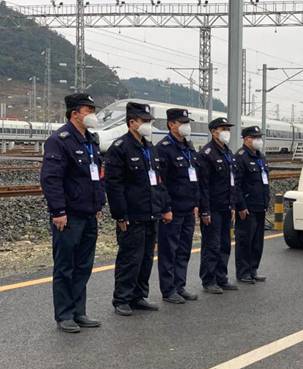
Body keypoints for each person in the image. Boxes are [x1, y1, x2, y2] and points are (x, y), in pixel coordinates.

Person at [40, 93, 105, 333]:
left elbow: (96, 176)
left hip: (89, 214)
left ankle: (79, 311)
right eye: (88, 110)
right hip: (69, 216)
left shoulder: (91, 140)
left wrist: (98, 205)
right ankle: (64, 314)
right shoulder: (59, 140)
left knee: (83, 265)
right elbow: (51, 179)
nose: (92, 114)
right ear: (74, 113)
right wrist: (58, 210)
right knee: (65, 266)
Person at [104, 102, 172, 316]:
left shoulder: (149, 148)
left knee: (145, 258)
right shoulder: (120, 148)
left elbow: (158, 181)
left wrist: (165, 207)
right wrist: (120, 215)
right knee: (130, 258)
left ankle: (139, 296)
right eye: (144, 121)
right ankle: (122, 299)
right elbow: (113, 185)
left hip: (151, 212)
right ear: (132, 122)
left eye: (149, 121)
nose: (148, 125)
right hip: (132, 214)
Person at [155, 108, 199, 304]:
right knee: (169, 250)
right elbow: (160, 182)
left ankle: (180, 285)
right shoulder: (163, 148)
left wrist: (196, 203)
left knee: (183, 249)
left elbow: (194, 178)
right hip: (173, 209)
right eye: (182, 123)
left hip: (188, 208)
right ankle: (168, 289)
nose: (186, 126)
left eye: (187, 122)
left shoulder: (188, 146)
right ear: (171, 124)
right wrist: (166, 208)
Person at [197, 117, 239, 294]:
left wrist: (233, 205)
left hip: (226, 207)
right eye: (223, 129)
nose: (227, 132)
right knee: (211, 245)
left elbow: (232, 182)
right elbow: (203, 186)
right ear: (214, 132)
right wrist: (205, 211)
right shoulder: (207, 154)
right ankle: (209, 280)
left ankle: (221, 277)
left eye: (228, 129)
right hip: (213, 208)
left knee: (224, 244)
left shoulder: (227, 152)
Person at [234, 126, 270, 284]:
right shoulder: (240, 157)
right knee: (245, 241)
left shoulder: (261, 157)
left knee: (257, 242)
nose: (258, 140)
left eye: (259, 137)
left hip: (260, 205)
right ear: (246, 139)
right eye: (255, 137)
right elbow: (236, 185)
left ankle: (253, 269)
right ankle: (243, 272)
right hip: (248, 207)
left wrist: (266, 200)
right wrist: (241, 206)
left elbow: (265, 181)